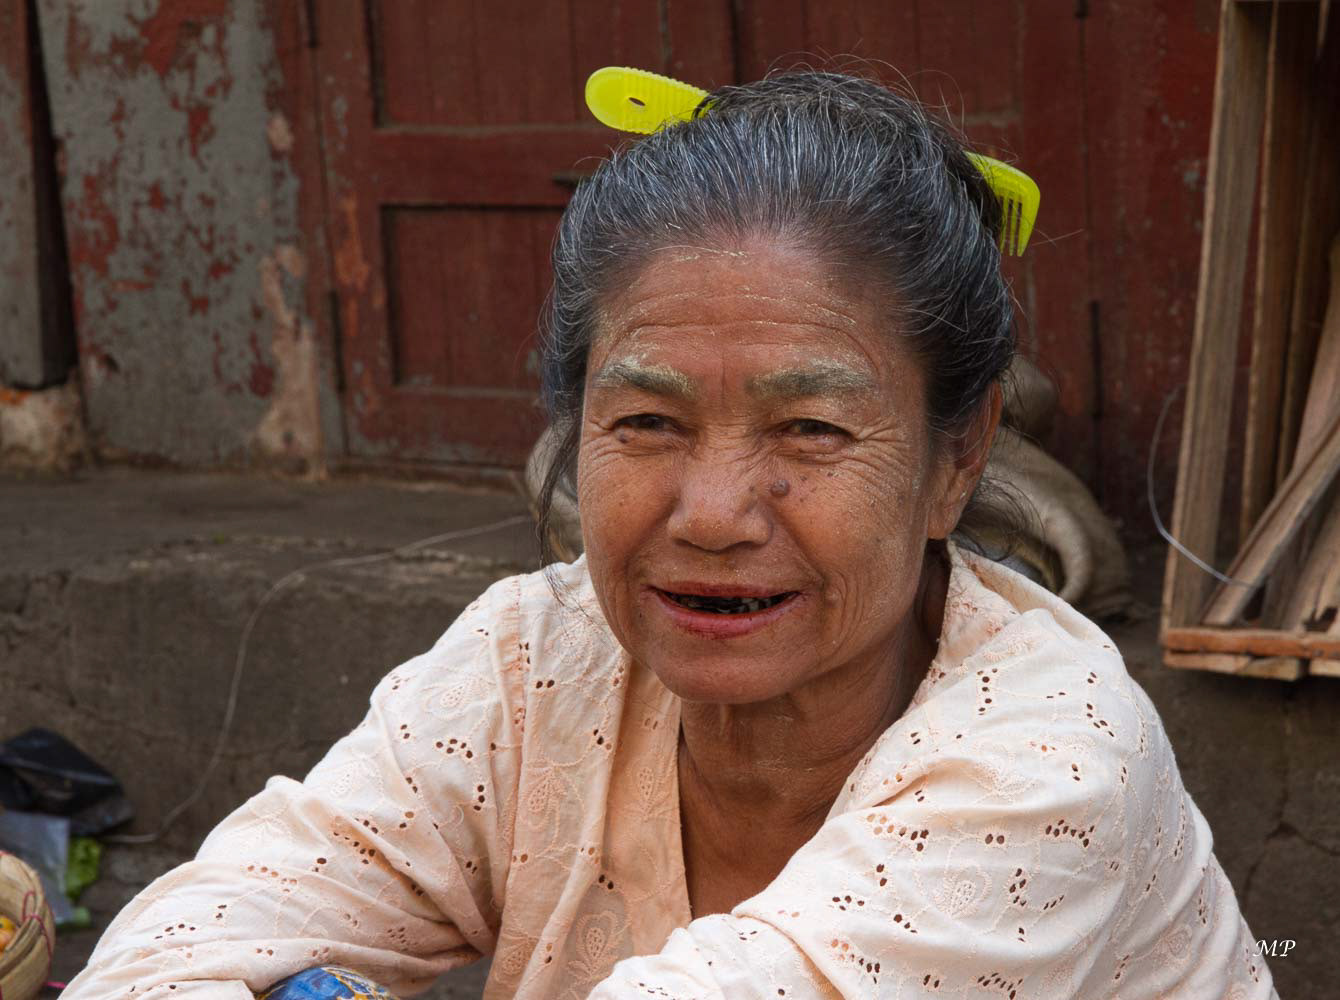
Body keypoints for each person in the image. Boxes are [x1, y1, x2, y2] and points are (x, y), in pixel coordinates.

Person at [64, 72, 1275, 999]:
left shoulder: (1049, 761)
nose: (708, 514)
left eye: (807, 429)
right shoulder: (531, 664)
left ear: (957, 457)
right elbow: (185, 934)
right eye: (645, 419)